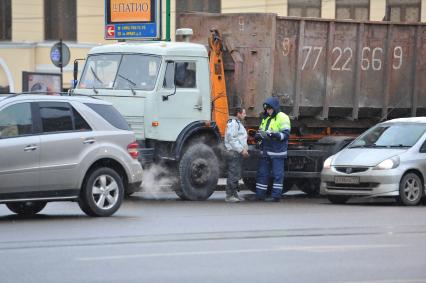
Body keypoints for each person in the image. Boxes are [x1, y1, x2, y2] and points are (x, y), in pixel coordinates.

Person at [255, 97, 291, 202]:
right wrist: (258, 136)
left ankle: (276, 196)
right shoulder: (266, 118)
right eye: (266, 109)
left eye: (270, 109)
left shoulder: (283, 117)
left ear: (274, 108)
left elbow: (286, 135)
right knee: (262, 174)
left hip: (277, 152)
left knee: (277, 175)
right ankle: (260, 195)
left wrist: (273, 135)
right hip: (266, 151)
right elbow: (261, 131)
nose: (268, 111)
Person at [224, 107, 249, 203]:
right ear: (238, 114)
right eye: (244, 113)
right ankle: (229, 196)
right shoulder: (233, 124)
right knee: (233, 174)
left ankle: (234, 194)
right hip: (234, 152)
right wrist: (241, 150)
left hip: (237, 152)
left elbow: (240, 138)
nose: (245, 115)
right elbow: (232, 139)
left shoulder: (237, 123)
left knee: (236, 174)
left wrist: (244, 149)